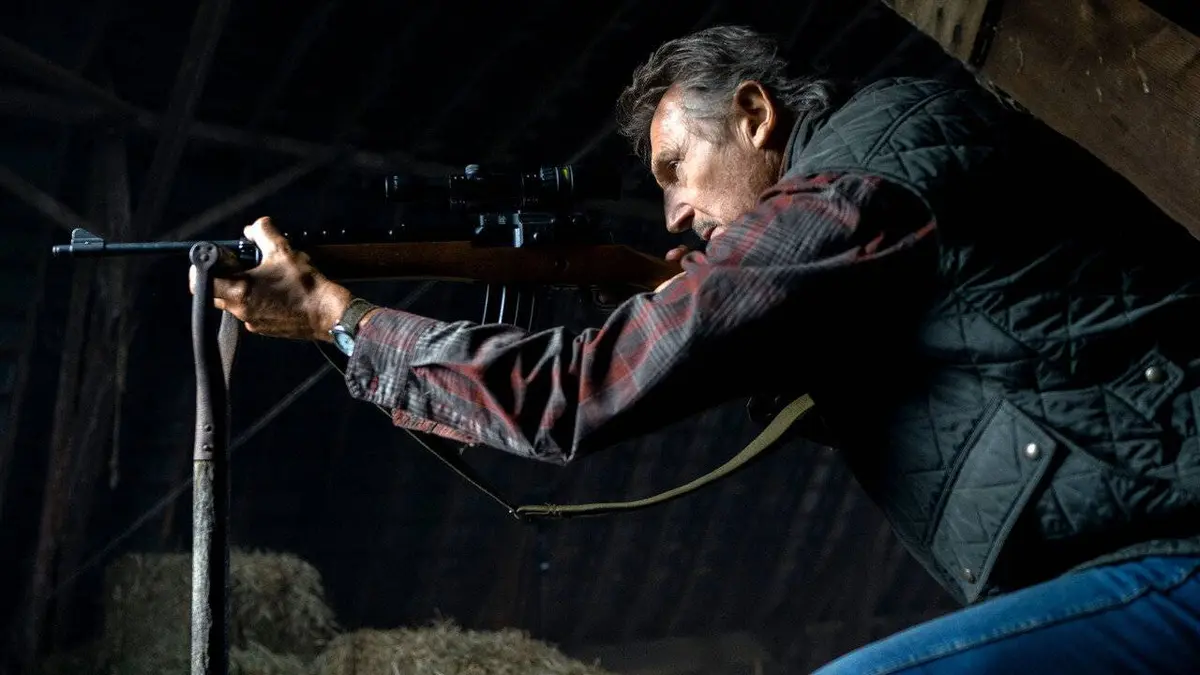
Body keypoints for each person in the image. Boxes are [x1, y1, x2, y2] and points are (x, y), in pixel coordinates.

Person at [192, 25, 1200, 674]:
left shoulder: (865, 174)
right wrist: (690, 298)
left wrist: (338, 317)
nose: (675, 214)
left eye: (678, 167)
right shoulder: (875, 187)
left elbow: (576, 394)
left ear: (756, 115)